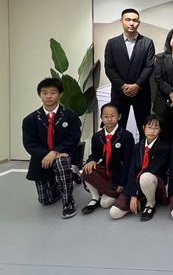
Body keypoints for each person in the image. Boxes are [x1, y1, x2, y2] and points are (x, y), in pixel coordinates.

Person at [22, 78, 81, 219]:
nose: (48, 96)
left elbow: (74, 138)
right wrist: (47, 154)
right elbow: (29, 143)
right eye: (44, 93)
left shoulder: (70, 115)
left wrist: (55, 152)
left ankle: (68, 202)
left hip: (64, 155)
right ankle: (62, 181)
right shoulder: (30, 120)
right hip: (42, 158)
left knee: (61, 162)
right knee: (46, 201)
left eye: (53, 92)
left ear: (60, 94)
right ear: (39, 95)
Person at [104, 8, 155, 137]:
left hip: (142, 93)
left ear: (139, 23)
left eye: (135, 20)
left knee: (145, 129)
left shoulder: (147, 43)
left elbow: (149, 67)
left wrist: (137, 86)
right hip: (119, 93)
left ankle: (144, 150)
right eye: (128, 20)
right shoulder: (112, 43)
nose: (131, 23)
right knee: (117, 129)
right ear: (121, 22)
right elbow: (109, 68)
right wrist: (123, 86)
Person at [109, 115, 170, 221]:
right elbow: (132, 171)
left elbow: (153, 169)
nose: (152, 131)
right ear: (143, 128)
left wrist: (136, 194)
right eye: (149, 127)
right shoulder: (137, 147)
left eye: (156, 128)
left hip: (153, 183)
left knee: (145, 177)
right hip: (136, 184)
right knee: (114, 213)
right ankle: (142, 199)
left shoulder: (164, 147)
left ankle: (151, 203)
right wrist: (133, 193)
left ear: (160, 130)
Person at [81, 103, 135, 214]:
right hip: (105, 171)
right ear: (101, 117)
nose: (109, 119)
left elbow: (129, 161)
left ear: (119, 116)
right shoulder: (97, 136)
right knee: (86, 169)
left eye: (112, 116)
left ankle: (113, 191)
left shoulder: (126, 136)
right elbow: (95, 155)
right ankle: (95, 197)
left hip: (119, 174)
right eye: (106, 116)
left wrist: (122, 183)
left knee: (105, 204)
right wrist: (91, 160)